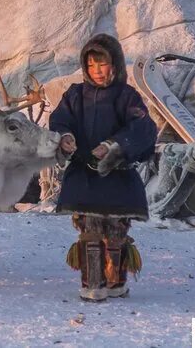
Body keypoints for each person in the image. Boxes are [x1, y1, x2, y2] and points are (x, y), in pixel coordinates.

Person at [48, 33, 157, 302]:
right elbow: (60, 119)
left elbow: (143, 127)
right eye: (91, 65)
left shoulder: (127, 96)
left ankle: (115, 282)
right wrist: (65, 137)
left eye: (103, 64)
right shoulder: (75, 95)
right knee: (91, 230)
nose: (97, 71)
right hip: (85, 177)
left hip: (118, 178)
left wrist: (113, 146)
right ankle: (93, 284)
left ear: (116, 65)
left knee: (116, 232)